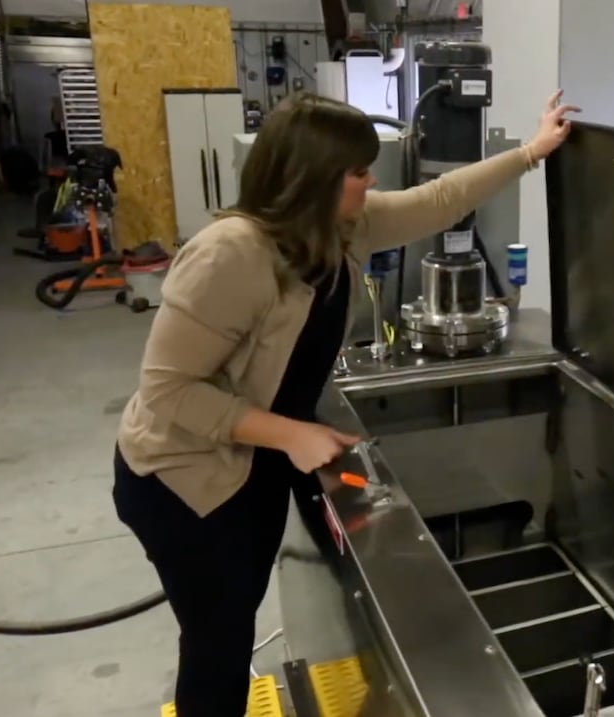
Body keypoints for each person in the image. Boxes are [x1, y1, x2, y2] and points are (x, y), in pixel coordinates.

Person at [112, 89, 580, 716]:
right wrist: (291, 435)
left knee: (236, 616)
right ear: (312, 181)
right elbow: (168, 392)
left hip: (254, 461)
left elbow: (437, 202)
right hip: (185, 478)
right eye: (358, 172)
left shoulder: (341, 227)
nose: (371, 180)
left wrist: (530, 153)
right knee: (217, 641)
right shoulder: (230, 255)